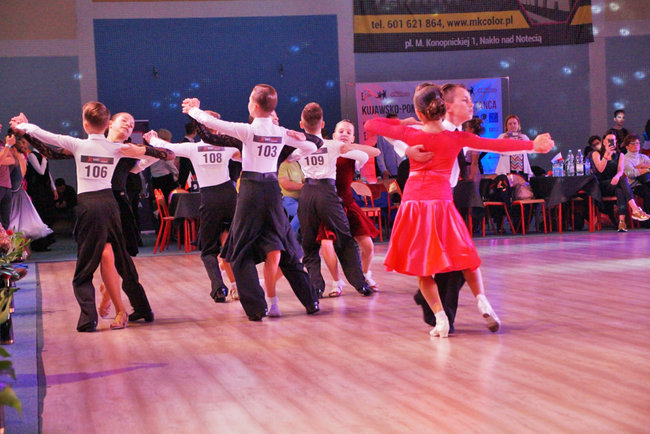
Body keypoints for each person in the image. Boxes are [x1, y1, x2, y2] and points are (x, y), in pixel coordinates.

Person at [364, 83, 555, 337]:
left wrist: (406, 123)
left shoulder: (412, 133)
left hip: (415, 205)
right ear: (444, 106)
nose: (470, 104)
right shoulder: (457, 138)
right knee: (465, 257)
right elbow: (497, 146)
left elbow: (371, 124)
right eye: (465, 100)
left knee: (424, 268)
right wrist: (532, 145)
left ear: (420, 112)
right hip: (441, 203)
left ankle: (441, 318)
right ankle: (481, 301)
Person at [11, 103, 155, 332]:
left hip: (97, 206)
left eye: (130, 123)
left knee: (96, 265)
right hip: (109, 205)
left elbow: (47, 136)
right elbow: (164, 154)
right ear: (108, 124)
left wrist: (25, 127)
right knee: (115, 258)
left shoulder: (84, 145)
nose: (128, 125)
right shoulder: (117, 148)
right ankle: (124, 307)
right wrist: (147, 148)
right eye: (123, 121)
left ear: (85, 124)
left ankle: (96, 316)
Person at [182, 84, 320, 321]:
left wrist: (193, 109)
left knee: (240, 250)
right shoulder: (281, 132)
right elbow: (314, 145)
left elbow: (213, 126)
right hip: (272, 191)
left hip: (251, 191)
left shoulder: (247, 130)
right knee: (286, 245)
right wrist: (300, 144)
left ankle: (257, 308)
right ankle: (310, 300)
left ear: (254, 106)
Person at [144, 125, 240, 304]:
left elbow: (169, 147)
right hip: (230, 196)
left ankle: (219, 288)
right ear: (217, 130)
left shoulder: (193, 148)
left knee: (209, 249)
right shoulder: (227, 147)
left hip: (209, 198)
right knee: (234, 243)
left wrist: (152, 138)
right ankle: (239, 286)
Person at [295, 103, 376, 298]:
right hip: (327, 194)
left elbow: (287, 158)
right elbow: (366, 154)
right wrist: (350, 147)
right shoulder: (332, 145)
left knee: (309, 244)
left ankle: (316, 287)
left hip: (307, 193)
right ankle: (359, 283)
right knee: (344, 239)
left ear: (301, 124)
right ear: (323, 124)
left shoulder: (299, 146)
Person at [329, 119, 380, 289]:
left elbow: (376, 151)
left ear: (353, 138)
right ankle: (336, 282)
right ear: (334, 135)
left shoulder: (355, 156)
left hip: (348, 204)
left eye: (348, 132)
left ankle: (365, 275)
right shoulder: (326, 151)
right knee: (329, 246)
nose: (344, 134)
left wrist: (351, 147)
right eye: (341, 131)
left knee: (368, 245)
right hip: (329, 205)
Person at [590, 132, 649, 232]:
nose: (611, 142)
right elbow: (600, 169)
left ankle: (622, 222)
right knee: (622, 181)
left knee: (620, 190)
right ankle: (635, 209)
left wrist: (617, 177)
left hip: (616, 182)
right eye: (608, 140)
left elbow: (620, 171)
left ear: (616, 142)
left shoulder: (620, 154)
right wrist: (606, 154)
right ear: (604, 142)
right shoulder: (596, 153)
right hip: (602, 185)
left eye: (613, 140)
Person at [495, 114, 534, 179]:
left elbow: (531, 150)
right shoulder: (501, 137)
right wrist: (504, 141)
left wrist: (524, 143)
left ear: (518, 125)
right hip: (506, 170)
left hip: (522, 170)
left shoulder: (524, 137)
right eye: (510, 124)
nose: (512, 125)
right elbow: (496, 150)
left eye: (514, 123)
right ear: (506, 126)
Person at [623, 134, 650, 225]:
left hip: (645, 182)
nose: (636, 145)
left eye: (637, 143)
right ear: (627, 146)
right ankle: (647, 221)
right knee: (647, 192)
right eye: (633, 143)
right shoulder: (626, 159)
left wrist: (641, 166)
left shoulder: (642, 157)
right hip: (633, 185)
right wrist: (646, 169)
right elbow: (631, 173)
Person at [149, 128, 179, 200]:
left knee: (158, 200)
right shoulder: (165, 150)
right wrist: (176, 173)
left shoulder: (152, 150)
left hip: (154, 179)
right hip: (166, 179)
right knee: (169, 200)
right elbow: (170, 164)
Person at [277, 160, 304, 235]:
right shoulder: (282, 165)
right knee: (302, 212)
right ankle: (288, 237)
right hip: (287, 200)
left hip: (300, 199)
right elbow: (286, 185)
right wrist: (305, 186)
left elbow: (303, 180)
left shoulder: (296, 164)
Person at [375, 113, 404, 179]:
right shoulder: (382, 137)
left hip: (403, 171)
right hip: (390, 173)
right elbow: (380, 155)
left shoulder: (403, 135)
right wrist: (384, 170)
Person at [177, 121, 198, 189]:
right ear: (195, 132)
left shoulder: (184, 142)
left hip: (187, 173)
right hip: (187, 173)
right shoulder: (186, 143)